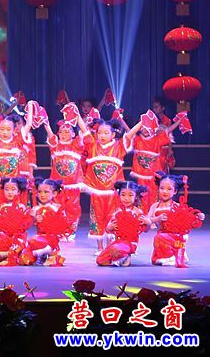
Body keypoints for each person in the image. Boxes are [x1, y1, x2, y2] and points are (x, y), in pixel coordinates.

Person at [78, 114, 142, 253]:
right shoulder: (92, 145)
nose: (102, 135)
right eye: (100, 132)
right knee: (97, 218)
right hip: (97, 191)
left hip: (113, 192)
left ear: (113, 135)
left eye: (106, 133)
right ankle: (100, 247)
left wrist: (142, 122)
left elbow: (129, 135)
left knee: (112, 218)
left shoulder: (119, 147)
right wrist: (77, 115)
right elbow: (84, 130)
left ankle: (110, 246)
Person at [0, 101, 32, 209]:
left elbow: (28, 125)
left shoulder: (17, 141)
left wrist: (31, 107)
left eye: (8, 129)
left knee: (14, 207)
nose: (5, 132)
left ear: (14, 130)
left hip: (12, 184)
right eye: (2, 129)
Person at [129, 112, 184, 211]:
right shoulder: (137, 140)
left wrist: (179, 121)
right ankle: (144, 215)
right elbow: (129, 133)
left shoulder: (156, 140)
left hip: (154, 175)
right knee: (142, 196)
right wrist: (121, 120)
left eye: (148, 127)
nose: (145, 130)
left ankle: (154, 214)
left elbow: (168, 131)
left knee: (154, 195)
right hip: (142, 175)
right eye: (143, 127)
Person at [148, 173, 205, 267]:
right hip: (162, 235)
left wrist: (198, 216)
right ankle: (170, 256)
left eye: (169, 189)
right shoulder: (155, 206)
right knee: (158, 246)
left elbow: (189, 220)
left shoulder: (177, 206)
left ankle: (176, 254)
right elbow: (147, 220)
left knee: (162, 238)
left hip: (176, 236)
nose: (165, 191)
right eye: (162, 188)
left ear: (175, 191)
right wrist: (157, 219)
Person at [43, 119, 84, 239]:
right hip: (58, 185)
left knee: (73, 208)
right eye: (61, 131)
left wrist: (80, 119)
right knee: (57, 207)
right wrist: (46, 123)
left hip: (73, 184)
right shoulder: (55, 146)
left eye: (67, 131)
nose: (64, 134)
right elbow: (50, 134)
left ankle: (71, 231)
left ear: (73, 134)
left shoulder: (76, 145)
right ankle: (59, 230)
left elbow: (83, 132)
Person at [96, 181, 151, 266]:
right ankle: (119, 258)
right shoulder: (117, 211)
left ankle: (125, 256)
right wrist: (109, 227)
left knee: (116, 249)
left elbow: (145, 230)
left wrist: (149, 223)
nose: (126, 198)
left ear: (136, 196)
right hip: (118, 241)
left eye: (130, 195)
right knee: (100, 260)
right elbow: (108, 229)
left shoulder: (137, 212)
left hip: (130, 243)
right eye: (123, 195)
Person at [0, 177, 32, 266]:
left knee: (22, 254)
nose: (10, 192)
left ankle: (11, 257)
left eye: (13, 189)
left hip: (17, 237)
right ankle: (7, 255)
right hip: (5, 237)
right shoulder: (2, 207)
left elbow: (25, 225)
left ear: (18, 191)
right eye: (7, 189)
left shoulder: (21, 207)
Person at [20, 178, 66, 266]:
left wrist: (47, 220)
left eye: (46, 192)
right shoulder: (35, 209)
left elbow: (63, 225)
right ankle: (41, 255)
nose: (42, 195)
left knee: (33, 240)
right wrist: (32, 218)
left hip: (51, 239)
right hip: (39, 239)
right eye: (40, 192)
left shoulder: (57, 208)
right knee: (24, 260)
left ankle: (52, 255)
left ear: (54, 193)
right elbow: (25, 226)